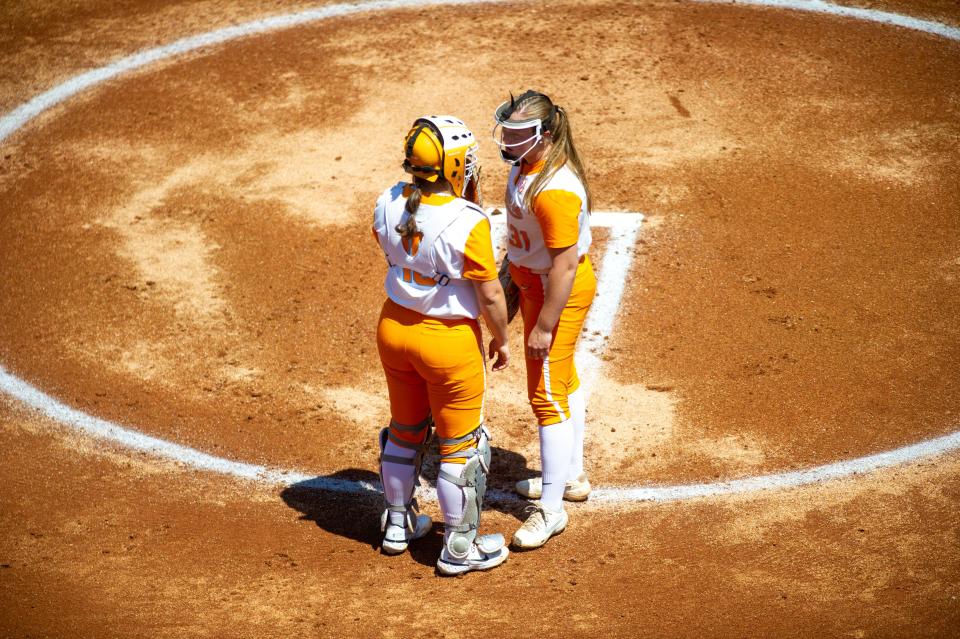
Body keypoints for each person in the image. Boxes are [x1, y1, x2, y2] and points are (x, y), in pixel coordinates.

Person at [372, 115, 511, 575]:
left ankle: (397, 524)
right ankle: (457, 550)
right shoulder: (468, 221)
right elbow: (491, 293)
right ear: (452, 165)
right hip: (447, 343)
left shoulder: (388, 200)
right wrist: (501, 336)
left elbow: (389, 248)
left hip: (394, 330)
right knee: (461, 447)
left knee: (406, 429)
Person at [492, 91, 596, 549]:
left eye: (519, 133)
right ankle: (570, 477)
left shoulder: (554, 189)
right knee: (562, 381)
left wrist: (544, 326)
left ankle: (551, 512)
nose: (510, 140)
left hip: (557, 294)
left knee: (546, 395)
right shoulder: (526, 165)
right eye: (507, 130)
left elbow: (566, 266)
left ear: (546, 136)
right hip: (534, 287)